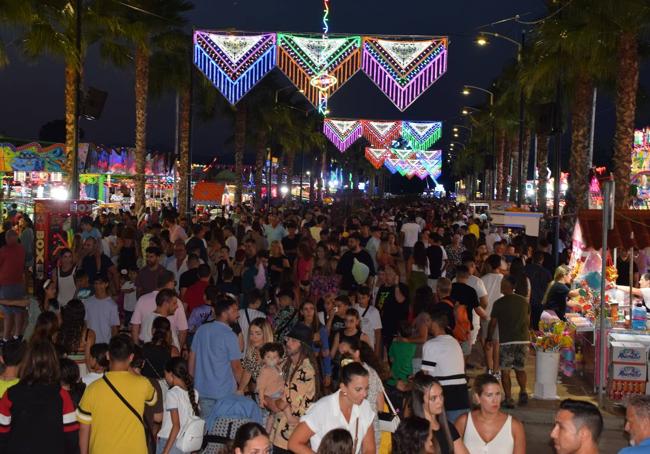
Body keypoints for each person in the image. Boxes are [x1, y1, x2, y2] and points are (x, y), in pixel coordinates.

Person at [78, 335, 158, 454]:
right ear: (131, 357)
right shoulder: (143, 384)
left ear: (107, 355)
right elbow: (153, 400)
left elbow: (84, 428)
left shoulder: (92, 389)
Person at [0, 340, 79, 454]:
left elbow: (2, 434)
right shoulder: (62, 395)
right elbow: (71, 436)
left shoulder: (10, 394)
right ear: (54, 363)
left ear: (26, 362)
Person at [289, 362, 375, 454]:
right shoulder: (322, 408)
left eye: (366, 388)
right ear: (343, 387)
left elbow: (369, 449)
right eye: (358, 389)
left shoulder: (365, 407)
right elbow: (294, 443)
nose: (365, 394)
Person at [269, 323, 320, 453]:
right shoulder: (290, 364)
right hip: (280, 431)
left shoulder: (306, 370)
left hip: (291, 437)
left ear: (303, 345)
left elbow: (282, 404)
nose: (288, 343)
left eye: (293, 340)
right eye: (288, 339)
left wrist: (267, 399)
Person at [189, 295, 242, 418]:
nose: (237, 314)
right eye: (234, 310)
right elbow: (236, 367)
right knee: (222, 432)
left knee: (207, 431)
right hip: (224, 393)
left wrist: (191, 381)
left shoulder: (201, 330)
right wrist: (243, 387)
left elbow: (192, 357)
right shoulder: (230, 335)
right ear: (224, 313)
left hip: (202, 390)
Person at [487, 276, 530, 408]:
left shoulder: (499, 303)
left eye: (502, 284)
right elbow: (528, 320)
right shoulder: (523, 301)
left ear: (508, 286)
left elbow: (493, 323)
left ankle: (509, 398)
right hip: (523, 340)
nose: (501, 286)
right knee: (520, 369)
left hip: (507, 342)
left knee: (505, 371)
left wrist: (489, 338)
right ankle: (523, 392)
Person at [455, 374, 526, 454]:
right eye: (489, 395)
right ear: (477, 397)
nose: (495, 400)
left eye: (498, 394)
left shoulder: (515, 426)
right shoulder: (463, 422)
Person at [421, 312, 470, 423]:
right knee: (461, 432)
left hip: (444, 393)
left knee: (444, 433)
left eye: (428, 321)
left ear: (433, 323)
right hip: (462, 391)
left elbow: (425, 375)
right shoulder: (455, 342)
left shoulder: (430, 345)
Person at [409, 372, 467, 454]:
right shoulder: (414, 431)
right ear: (420, 401)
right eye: (433, 398)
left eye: (441, 395)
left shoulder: (447, 426)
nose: (440, 401)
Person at [131, 270, 188, 350]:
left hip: (146, 349)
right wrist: (178, 350)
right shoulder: (176, 301)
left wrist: (137, 348)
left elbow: (135, 327)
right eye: (174, 283)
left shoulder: (142, 299)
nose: (176, 307)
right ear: (170, 283)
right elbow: (183, 331)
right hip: (163, 352)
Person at [157, 357, 200, 454]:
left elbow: (176, 426)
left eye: (165, 375)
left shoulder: (172, 393)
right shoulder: (194, 393)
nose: (165, 378)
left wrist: (165, 451)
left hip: (170, 441)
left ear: (171, 374)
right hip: (185, 443)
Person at [56, 299, 96, 378]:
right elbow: (88, 359)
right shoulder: (88, 334)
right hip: (81, 371)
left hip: (64, 370)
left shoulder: (59, 333)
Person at [375, 264, 409, 354]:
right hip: (384, 325)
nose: (387, 276)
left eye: (389, 273)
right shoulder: (383, 287)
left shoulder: (402, 287)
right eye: (386, 273)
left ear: (396, 275)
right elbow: (378, 305)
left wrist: (396, 285)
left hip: (396, 326)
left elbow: (400, 300)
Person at [0, 230, 27, 343]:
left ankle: (6, 338)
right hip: (19, 283)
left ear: (8, 238)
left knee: (7, 313)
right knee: (18, 311)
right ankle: (17, 336)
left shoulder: (3, 251)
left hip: (6, 284)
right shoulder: (21, 249)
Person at [480, 254, 504, 376]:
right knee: (497, 343)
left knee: (487, 342)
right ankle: (496, 369)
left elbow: (481, 299)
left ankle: (489, 368)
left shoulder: (483, 279)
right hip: (499, 316)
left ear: (489, 265)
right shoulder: (503, 279)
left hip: (486, 315)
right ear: (499, 265)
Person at [256, 342, 285, 433]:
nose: (271, 360)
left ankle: (269, 433)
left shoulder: (278, 368)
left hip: (278, 394)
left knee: (273, 416)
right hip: (269, 396)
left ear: (279, 359)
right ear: (263, 359)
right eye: (268, 357)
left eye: (274, 357)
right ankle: (265, 431)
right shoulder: (265, 371)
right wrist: (261, 400)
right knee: (266, 417)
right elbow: (261, 386)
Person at [83, 275, 119, 344]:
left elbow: (114, 328)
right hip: (90, 343)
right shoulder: (87, 302)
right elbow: (85, 323)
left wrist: (113, 344)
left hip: (106, 343)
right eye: (96, 283)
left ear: (106, 284)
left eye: (101, 283)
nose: (98, 286)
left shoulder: (112, 305)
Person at [524, 251, 552, 330]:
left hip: (526, 300)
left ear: (532, 259)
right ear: (542, 260)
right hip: (540, 301)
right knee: (537, 324)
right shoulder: (547, 272)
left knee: (526, 323)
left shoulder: (526, 269)